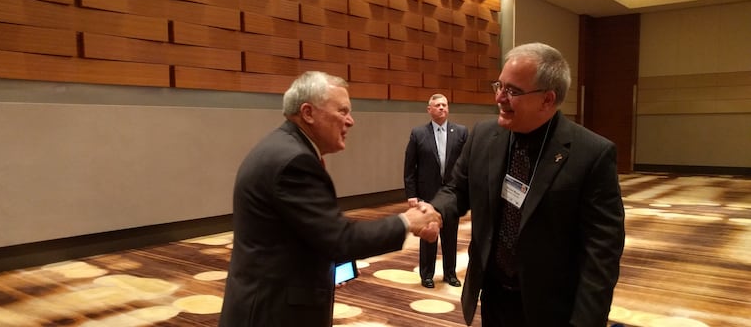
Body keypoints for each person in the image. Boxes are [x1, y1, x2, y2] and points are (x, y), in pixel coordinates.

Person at [218, 71, 442, 327]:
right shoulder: (294, 162)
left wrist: (328, 267)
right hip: (272, 314)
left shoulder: (285, 147)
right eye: (342, 111)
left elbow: (306, 232)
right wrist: (407, 221)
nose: (351, 121)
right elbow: (341, 239)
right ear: (308, 113)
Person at [429, 43, 625, 326]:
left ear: (547, 100)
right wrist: (435, 211)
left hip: (551, 309)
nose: (499, 97)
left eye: (512, 91)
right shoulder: (483, 135)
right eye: (499, 85)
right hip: (494, 296)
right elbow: (456, 189)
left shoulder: (592, 154)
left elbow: (601, 253)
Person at [403, 93, 468, 289]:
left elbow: (467, 165)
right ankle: (427, 275)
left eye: (444, 105)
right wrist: (411, 194)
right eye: (437, 105)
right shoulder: (418, 133)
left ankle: (450, 274)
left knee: (450, 235)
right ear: (429, 110)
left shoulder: (461, 132)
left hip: (452, 195)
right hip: (427, 195)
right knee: (428, 236)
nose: (441, 108)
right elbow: (410, 167)